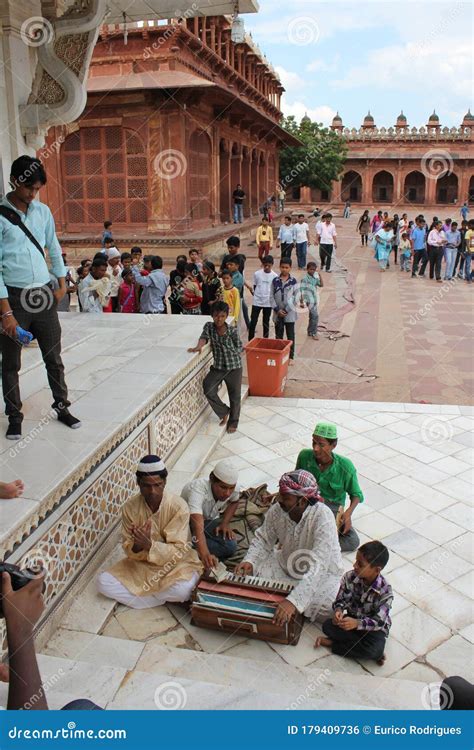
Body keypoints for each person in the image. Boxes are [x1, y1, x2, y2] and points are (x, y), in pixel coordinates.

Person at [0, 155, 80, 439]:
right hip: (14, 296)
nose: (33, 195)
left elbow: (53, 247)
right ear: (14, 181)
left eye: (37, 189)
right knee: (11, 362)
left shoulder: (42, 211)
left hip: (44, 295)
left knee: (53, 357)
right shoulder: (1, 215)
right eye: (28, 189)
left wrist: (60, 283)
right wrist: (6, 313)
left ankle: (62, 406)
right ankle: (14, 415)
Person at [235, 470, 344, 623]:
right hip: (286, 565)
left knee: (329, 608)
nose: (279, 499)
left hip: (322, 573)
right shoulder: (276, 510)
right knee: (252, 575)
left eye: (285, 497)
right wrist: (250, 561)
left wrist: (294, 601)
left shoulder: (323, 517)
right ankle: (287, 599)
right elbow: (264, 539)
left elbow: (319, 566)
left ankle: (288, 600)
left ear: (302, 501)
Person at [97, 455, 202, 608]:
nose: (152, 491)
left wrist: (150, 545)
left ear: (164, 482)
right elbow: (129, 549)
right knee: (103, 583)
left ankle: (143, 598)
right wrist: (138, 546)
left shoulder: (179, 507)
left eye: (157, 485)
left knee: (183, 590)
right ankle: (158, 598)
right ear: (138, 483)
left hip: (174, 566)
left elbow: (179, 550)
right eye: (146, 486)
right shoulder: (129, 508)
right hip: (143, 565)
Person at [315, 541, 393, 665]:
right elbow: (341, 600)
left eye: (360, 564)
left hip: (372, 628)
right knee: (327, 626)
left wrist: (357, 623)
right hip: (352, 620)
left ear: (377, 570)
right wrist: (338, 610)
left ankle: (333, 644)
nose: (355, 565)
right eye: (356, 561)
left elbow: (379, 622)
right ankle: (366, 650)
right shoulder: (349, 577)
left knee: (374, 648)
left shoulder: (385, 591)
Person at [296, 422, 364, 552]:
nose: (315, 448)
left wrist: (348, 514)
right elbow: (296, 479)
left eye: (321, 445)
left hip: (331, 509)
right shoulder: (304, 456)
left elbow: (356, 495)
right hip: (307, 502)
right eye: (313, 442)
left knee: (352, 541)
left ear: (333, 445)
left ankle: (313, 544)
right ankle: (317, 544)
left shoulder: (345, 466)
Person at [188, 301, 242, 433]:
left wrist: (232, 351)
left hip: (234, 367)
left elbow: (240, 346)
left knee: (235, 396)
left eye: (223, 316)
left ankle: (233, 422)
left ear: (226, 316)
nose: (219, 319)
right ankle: (224, 411)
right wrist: (199, 346)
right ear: (212, 316)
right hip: (218, 367)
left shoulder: (232, 331)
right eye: (217, 315)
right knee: (208, 387)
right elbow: (204, 337)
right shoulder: (209, 327)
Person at [181, 460, 239, 568]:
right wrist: (206, 555)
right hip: (186, 525)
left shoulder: (233, 487)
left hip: (207, 522)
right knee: (185, 546)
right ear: (212, 480)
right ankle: (187, 549)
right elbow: (197, 527)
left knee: (231, 545)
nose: (227, 493)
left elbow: (235, 501)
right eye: (223, 487)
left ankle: (192, 550)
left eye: (231, 488)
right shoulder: (197, 490)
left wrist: (225, 523)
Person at [270, 258, 298, 360]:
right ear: (279, 267)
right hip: (277, 314)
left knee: (290, 335)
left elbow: (296, 297)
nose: (284, 269)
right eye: (282, 267)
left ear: (290, 268)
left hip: (289, 314)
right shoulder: (275, 281)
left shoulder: (293, 281)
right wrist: (277, 310)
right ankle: (279, 355)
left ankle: (291, 356)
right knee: (278, 336)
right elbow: (271, 297)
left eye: (287, 267)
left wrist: (286, 310)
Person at [220, 236, 249, 329]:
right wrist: (222, 274)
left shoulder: (240, 259)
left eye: (231, 247)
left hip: (236, 286)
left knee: (240, 305)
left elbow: (239, 275)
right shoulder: (226, 258)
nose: (229, 249)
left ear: (237, 247)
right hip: (227, 287)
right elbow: (221, 271)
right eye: (228, 247)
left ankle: (247, 324)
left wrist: (248, 286)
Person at [248, 255, 278, 340]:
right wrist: (257, 295)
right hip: (257, 301)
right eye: (265, 265)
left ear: (272, 265)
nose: (267, 267)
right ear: (262, 264)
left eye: (269, 265)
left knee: (266, 322)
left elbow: (274, 290)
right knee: (253, 321)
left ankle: (265, 340)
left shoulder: (275, 276)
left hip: (268, 303)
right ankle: (250, 340)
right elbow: (255, 285)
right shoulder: (257, 274)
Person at [300, 261, 323, 339]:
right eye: (311, 269)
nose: (312, 271)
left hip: (315, 299)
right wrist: (301, 302)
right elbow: (301, 291)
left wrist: (320, 275)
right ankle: (314, 333)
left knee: (312, 316)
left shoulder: (314, 277)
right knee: (315, 316)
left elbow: (321, 285)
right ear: (307, 269)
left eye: (314, 270)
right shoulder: (305, 279)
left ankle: (310, 331)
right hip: (309, 300)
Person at [106, 247, 122, 312]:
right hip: (109, 296)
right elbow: (105, 283)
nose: (118, 260)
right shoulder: (105, 268)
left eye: (119, 258)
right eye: (115, 258)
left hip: (118, 296)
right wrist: (113, 275)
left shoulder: (119, 267)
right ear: (110, 259)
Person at [464, 219, 474, 283]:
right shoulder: (468, 232)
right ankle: (468, 278)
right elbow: (467, 242)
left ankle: (471, 276)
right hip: (469, 251)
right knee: (468, 265)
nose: (469, 226)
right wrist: (469, 250)